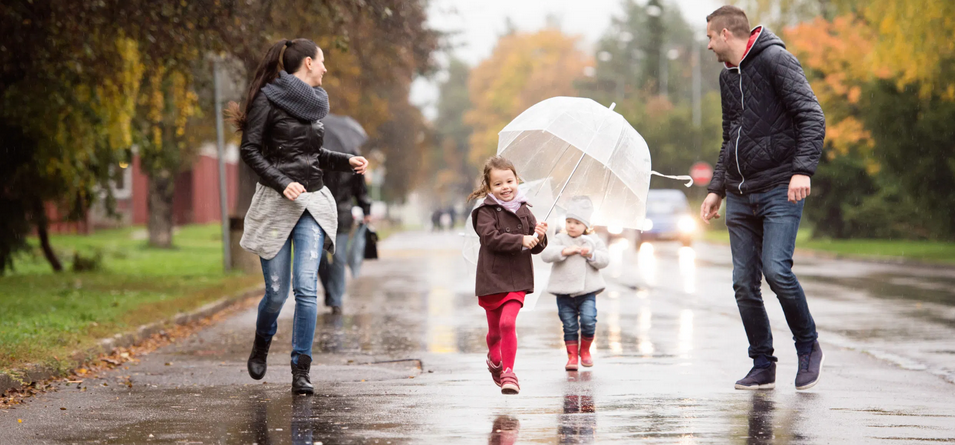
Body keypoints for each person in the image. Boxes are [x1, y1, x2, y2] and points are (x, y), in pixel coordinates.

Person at [229, 38, 369, 395]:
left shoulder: (315, 104)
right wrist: (280, 182)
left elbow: (310, 154)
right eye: (322, 62)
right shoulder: (268, 98)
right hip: (276, 205)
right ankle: (262, 343)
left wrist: (344, 161)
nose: (325, 69)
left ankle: (300, 369)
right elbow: (249, 150)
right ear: (308, 62)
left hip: (311, 204)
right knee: (275, 294)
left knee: (306, 288)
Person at [699, 6, 826, 390]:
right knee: (743, 283)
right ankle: (762, 363)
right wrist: (716, 189)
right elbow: (730, 137)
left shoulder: (775, 59)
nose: (707, 45)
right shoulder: (727, 77)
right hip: (740, 192)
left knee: (777, 271)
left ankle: (807, 346)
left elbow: (811, 115)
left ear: (725, 34)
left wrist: (802, 169)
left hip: (778, 187)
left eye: (708, 37)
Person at [468, 156, 548, 395]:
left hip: (517, 278)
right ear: (489, 187)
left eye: (509, 181)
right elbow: (490, 238)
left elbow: (536, 247)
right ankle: (495, 360)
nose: (505, 188)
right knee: (494, 332)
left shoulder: (525, 210)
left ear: (517, 181)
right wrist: (521, 239)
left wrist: (540, 236)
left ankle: (509, 373)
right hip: (492, 278)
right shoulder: (485, 212)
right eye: (498, 184)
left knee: (507, 323)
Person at [541, 196, 609, 371]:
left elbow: (604, 259)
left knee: (588, 320)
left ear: (586, 225)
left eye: (577, 223)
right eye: (569, 221)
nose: (572, 226)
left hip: (587, 291)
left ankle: (585, 350)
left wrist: (591, 255)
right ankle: (572, 356)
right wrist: (564, 251)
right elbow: (546, 254)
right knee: (569, 324)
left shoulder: (593, 240)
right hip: (564, 291)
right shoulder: (560, 238)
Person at [318, 128, 372, 315]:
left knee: (339, 257)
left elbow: (361, 189)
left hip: (342, 215)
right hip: (319, 213)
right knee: (321, 257)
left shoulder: (355, 159)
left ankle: (336, 299)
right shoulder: (320, 157)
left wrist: (366, 209)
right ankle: (331, 292)